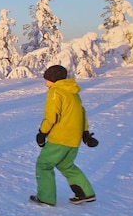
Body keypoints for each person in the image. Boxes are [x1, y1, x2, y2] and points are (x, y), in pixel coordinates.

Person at [31, 65, 99, 206]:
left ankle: (46, 198)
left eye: (46, 79)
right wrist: (85, 134)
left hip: (59, 138)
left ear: (52, 79)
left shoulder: (56, 92)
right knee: (66, 165)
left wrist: (42, 133)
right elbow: (81, 114)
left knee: (44, 165)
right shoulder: (73, 92)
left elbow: (52, 116)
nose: (45, 82)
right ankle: (86, 193)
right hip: (73, 139)